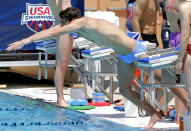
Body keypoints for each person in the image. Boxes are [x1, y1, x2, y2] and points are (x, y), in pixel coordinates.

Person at [6, 7, 188, 129]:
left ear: (70, 20)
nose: (64, 27)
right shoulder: (81, 27)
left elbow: (54, 31)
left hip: (137, 50)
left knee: (162, 80)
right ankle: (154, 113)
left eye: (64, 23)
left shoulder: (83, 22)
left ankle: (187, 104)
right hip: (124, 56)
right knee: (125, 90)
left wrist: (25, 40)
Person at [46, 0, 84, 107]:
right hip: (63, 26)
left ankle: (61, 98)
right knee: (61, 64)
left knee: (64, 63)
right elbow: (64, 8)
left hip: (68, 26)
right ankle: (60, 98)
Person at [165, 0, 188, 123]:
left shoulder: (168, 2)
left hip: (173, 37)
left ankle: (177, 117)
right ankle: (180, 117)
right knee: (185, 83)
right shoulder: (183, 4)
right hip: (182, 37)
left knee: (178, 80)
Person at [176, 0, 191, 118]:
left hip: (189, 50)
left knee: (190, 90)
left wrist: (180, 60)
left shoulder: (185, 7)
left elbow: (185, 36)